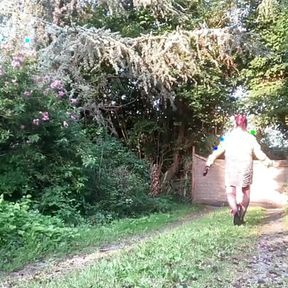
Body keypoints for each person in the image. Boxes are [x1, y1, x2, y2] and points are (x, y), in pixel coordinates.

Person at [203, 114, 272, 225]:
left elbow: (217, 148)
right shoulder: (251, 137)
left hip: (231, 166)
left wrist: (209, 161)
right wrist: (268, 162)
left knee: (230, 191)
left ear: (235, 123)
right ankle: (241, 214)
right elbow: (258, 152)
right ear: (245, 124)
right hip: (246, 166)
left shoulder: (227, 136)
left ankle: (234, 210)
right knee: (246, 191)